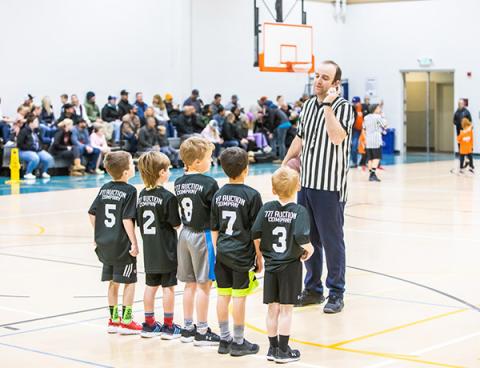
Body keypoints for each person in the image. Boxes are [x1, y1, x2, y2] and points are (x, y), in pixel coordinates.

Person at [282, 60, 354, 313]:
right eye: (317, 76)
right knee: (308, 240)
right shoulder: (308, 106)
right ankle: (313, 289)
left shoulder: (344, 108)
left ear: (336, 84)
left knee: (332, 240)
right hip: (307, 183)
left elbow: (336, 137)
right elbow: (300, 138)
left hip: (330, 186)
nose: (319, 81)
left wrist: (327, 107)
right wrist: (284, 164)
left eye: (325, 77)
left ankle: (336, 292)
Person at [252, 167, 314, 363]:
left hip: (271, 266)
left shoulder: (267, 208)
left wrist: (259, 256)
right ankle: (284, 350)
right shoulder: (299, 211)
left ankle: (272, 348)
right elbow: (301, 236)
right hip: (290, 267)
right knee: (286, 309)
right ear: (298, 187)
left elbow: (256, 232)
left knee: (273, 308)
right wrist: (310, 250)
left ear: (273, 189)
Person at [211, 148, 263, 356]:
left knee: (223, 295)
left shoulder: (218, 194)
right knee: (239, 297)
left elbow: (214, 228)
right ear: (246, 170)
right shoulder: (252, 195)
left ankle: (224, 340)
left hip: (222, 252)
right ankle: (239, 342)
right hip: (242, 255)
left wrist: (218, 251)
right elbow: (256, 232)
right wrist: (259, 257)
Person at [88, 151, 142, 335]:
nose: (134, 167)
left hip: (104, 242)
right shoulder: (130, 190)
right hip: (121, 245)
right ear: (126, 172)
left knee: (112, 282)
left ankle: (113, 320)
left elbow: (92, 213)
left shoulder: (104, 188)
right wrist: (134, 243)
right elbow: (128, 219)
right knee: (129, 281)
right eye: (132, 164)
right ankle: (126, 321)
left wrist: (97, 236)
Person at [173, 137, 220, 346]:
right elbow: (216, 212)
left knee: (189, 284)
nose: (211, 161)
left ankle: (187, 327)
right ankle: (202, 330)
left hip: (185, 234)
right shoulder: (209, 183)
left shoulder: (179, 182)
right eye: (209, 158)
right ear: (198, 162)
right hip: (204, 234)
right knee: (204, 285)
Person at [137, 152, 182, 339]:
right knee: (168, 288)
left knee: (150, 286)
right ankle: (169, 326)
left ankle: (149, 324)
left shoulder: (141, 195)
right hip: (167, 250)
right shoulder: (168, 197)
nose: (170, 172)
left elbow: (140, 222)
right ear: (162, 172)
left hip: (150, 250)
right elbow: (176, 224)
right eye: (169, 169)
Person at [17, 113, 55, 179]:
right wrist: (31, 148)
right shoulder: (23, 131)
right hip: (23, 151)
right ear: (31, 123)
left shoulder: (36, 131)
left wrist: (40, 148)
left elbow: (40, 141)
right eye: (36, 122)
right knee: (35, 158)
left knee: (48, 158)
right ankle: (28, 173)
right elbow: (19, 144)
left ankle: (43, 172)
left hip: (36, 150)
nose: (38, 123)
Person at [363, 104, 387, 182]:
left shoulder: (366, 117)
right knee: (376, 157)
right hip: (376, 139)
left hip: (368, 139)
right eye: (378, 108)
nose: (379, 109)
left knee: (370, 158)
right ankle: (372, 174)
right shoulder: (378, 117)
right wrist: (383, 116)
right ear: (375, 109)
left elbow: (364, 128)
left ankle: (371, 174)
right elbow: (385, 125)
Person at [350, 96, 363, 167]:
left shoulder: (364, 108)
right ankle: (354, 162)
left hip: (364, 130)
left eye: (356, 103)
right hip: (355, 130)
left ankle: (365, 162)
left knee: (367, 147)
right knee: (354, 146)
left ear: (360, 102)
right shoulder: (351, 109)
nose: (355, 104)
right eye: (353, 103)